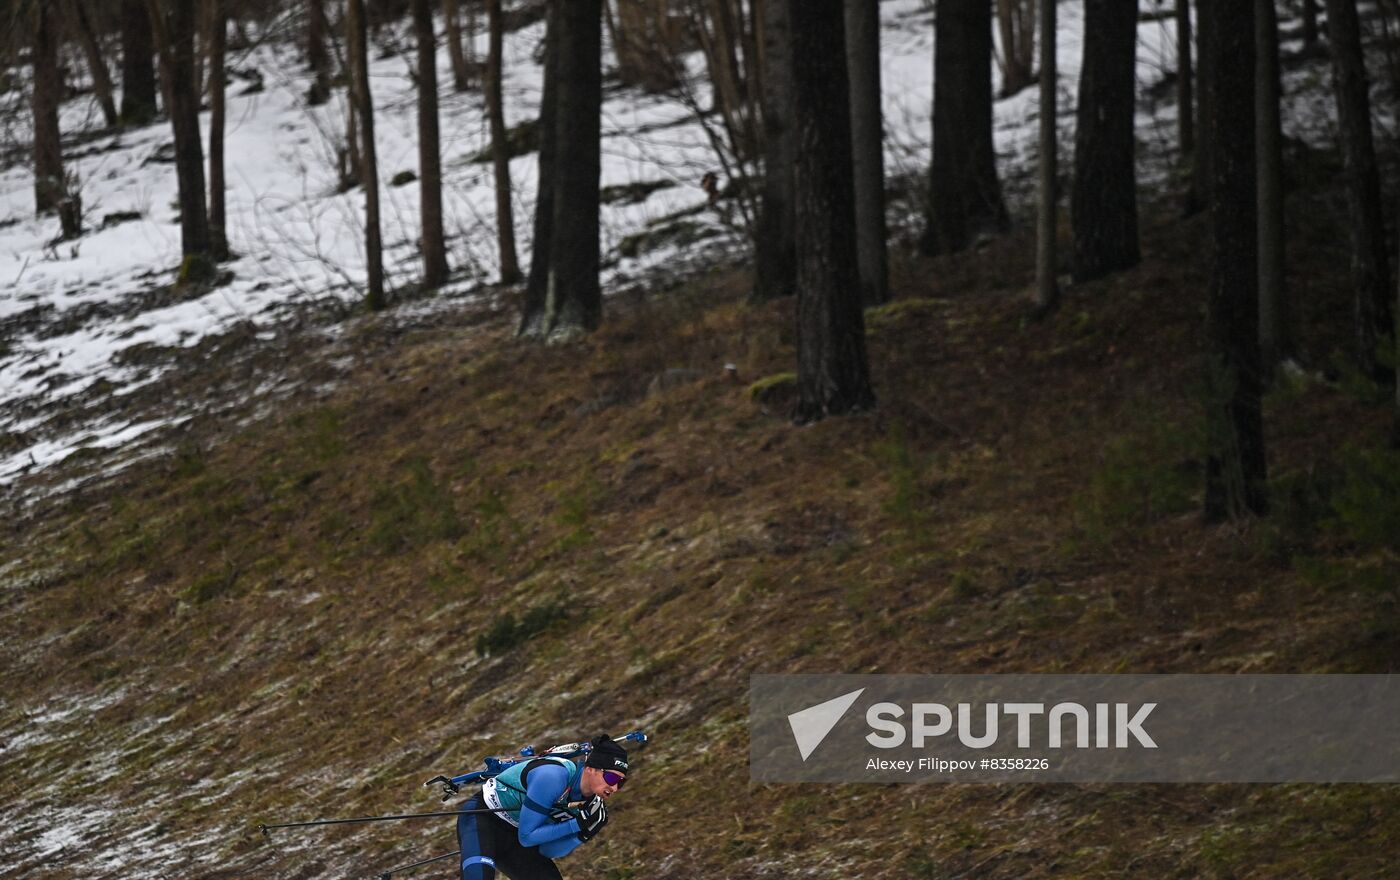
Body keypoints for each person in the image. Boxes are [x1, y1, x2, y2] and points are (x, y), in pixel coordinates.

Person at [457, 734, 630, 879]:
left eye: (621, 782)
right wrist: (576, 825)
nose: (615, 787)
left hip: (515, 837)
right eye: (612, 778)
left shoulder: (589, 805)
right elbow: (527, 836)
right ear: (591, 769)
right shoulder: (553, 776)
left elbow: (546, 851)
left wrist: (583, 834)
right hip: (483, 818)